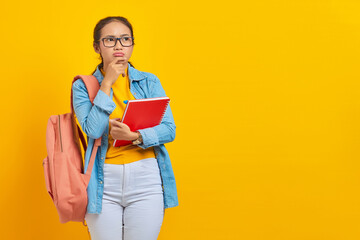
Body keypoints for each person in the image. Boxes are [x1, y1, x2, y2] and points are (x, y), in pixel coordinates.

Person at [72, 16, 178, 240]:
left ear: (132, 44)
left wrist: (135, 136)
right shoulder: (83, 85)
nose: (118, 45)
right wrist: (107, 83)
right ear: (97, 46)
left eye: (125, 39)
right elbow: (92, 130)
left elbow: (169, 129)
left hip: (146, 178)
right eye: (110, 39)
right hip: (103, 182)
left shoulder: (149, 82)